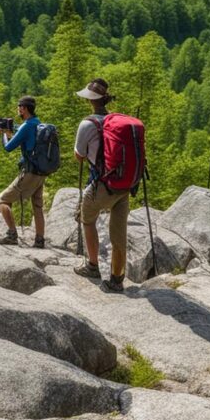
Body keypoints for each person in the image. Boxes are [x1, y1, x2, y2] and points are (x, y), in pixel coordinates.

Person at [71, 78, 130, 293]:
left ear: (90, 100)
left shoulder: (88, 123)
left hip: (102, 184)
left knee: (87, 219)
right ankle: (117, 279)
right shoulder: (117, 120)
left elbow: (79, 155)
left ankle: (93, 266)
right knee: (119, 234)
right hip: (123, 185)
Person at [0, 95, 46, 248]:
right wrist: (13, 128)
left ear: (24, 108)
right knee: (37, 205)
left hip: (29, 172)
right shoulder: (37, 123)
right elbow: (23, 130)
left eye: (19, 107)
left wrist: (4, 132)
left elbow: (8, 147)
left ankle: (12, 235)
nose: (18, 109)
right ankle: (39, 240)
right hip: (41, 172)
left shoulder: (26, 126)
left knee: (3, 200)